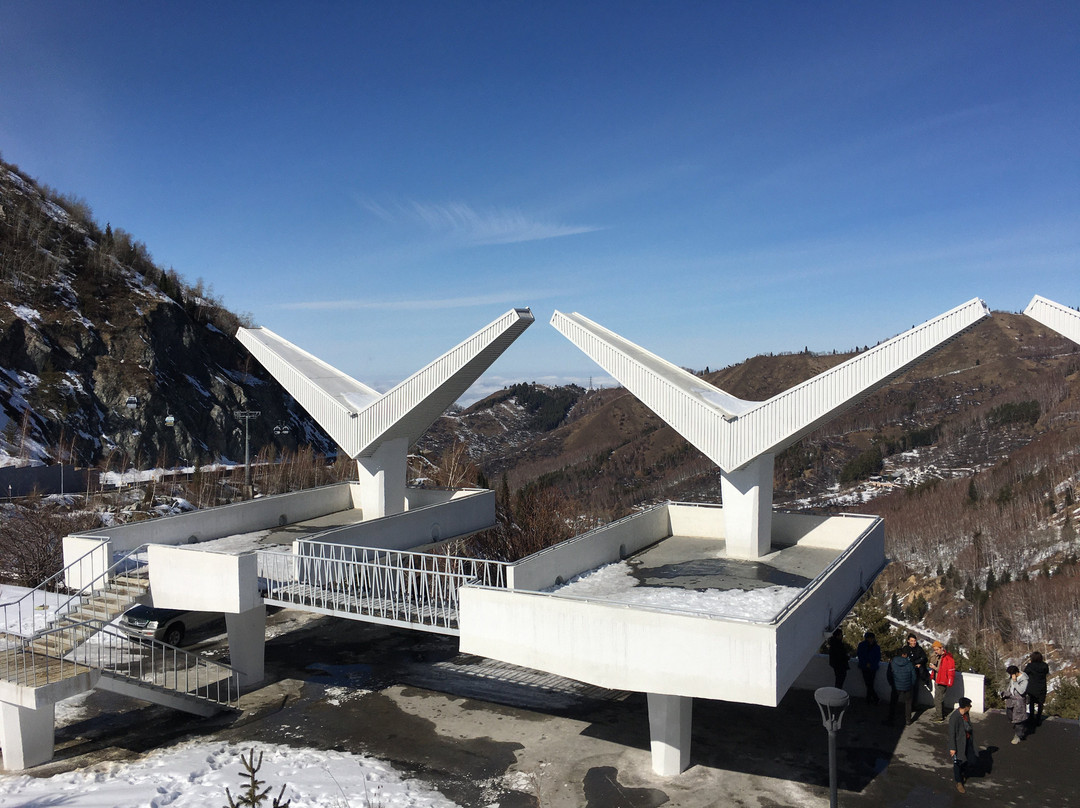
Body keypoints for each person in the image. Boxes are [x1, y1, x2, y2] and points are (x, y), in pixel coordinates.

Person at [948, 697, 977, 793]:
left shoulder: (965, 714)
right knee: (958, 763)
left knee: (969, 759)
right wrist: (952, 748)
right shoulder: (954, 718)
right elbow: (952, 733)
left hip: (967, 741)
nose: (970, 707)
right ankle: (959, 782)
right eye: (969, 706)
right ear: (965, 707)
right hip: (958, 743)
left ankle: (963, 774)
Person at [885, 647, 917, 725]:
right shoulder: (909, 663)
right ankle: (908, 720)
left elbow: (889, 674)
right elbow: (914, 676)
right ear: (904, 654)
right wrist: (911, 684)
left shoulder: (892, 662)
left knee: (893, 703)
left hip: (896, 686)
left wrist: (892, 684)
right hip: (908, 686)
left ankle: (890, 719)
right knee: (908, 703)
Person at [929, 640, 956, 722]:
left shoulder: (947, 658)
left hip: (942, 680)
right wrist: (935, 654)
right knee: (940, 698)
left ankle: (939, 716)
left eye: (937, 649)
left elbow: (943, 670)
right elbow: (931, 660)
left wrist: (934, 668)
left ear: (942, 648)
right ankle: (940, 712)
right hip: (937, 679)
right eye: (934, 650)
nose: (936, 651)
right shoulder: (939, 656)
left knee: (937, 699)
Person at [1003, 665, 1029, 744]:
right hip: (1011, 699)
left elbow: (1021, 691)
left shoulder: (1024, 680)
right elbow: (1010, 687)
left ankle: (1018, 735)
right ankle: (1019, 726)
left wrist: (1015, 681)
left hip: (1019, 702)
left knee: (1018, 719)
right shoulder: (1012, 678)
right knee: (1009, 714)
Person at [1024, 651, 1049, 727]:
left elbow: (1025, 673)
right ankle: (1038, 719)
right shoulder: (1045, 666)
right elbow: (1046, 672)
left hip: (1032, 687)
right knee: (1040, 704)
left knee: (1031, 703)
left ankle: (1031, 717)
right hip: (1041, 687)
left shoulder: (1030, 666)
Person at [856, 631, 882, 704]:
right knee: (868, 683)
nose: (870, 639)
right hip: (864, 667)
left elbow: (878, 657)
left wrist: (871, 663)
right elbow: (860, 655)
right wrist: (865, 663)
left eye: (872, 638)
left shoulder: (876, 647)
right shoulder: (862, 645)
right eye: (869, 638)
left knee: (870, 683)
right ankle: (874, 698)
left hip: (872, 668)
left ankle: (869, 699)